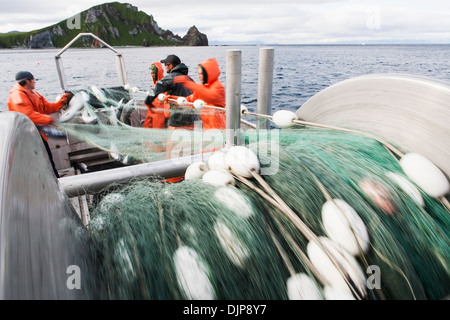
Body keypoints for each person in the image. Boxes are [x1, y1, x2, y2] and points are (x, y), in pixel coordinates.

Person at [7, 71, 72, 177]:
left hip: (38, 135)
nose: (34, 82)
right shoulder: (17, 96)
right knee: (40, 164)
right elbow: (27, 115)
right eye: (33, 79)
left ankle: (56, 181)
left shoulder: (34, 94)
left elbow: (47, 107)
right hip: (27, 138)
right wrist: (49, 120)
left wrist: (63, 99)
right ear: (27, 81)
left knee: (49, 161)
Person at [145, 54, 197, 130]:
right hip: (191, 121)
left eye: (165, 65)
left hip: (177, 120)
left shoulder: (171, 77)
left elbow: (156, 88)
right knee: (189, 141)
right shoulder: (189, 79)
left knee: (173, 141)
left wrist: (148, 102)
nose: (165, 67)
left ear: (171, 66)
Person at [173, 58, 226, 130]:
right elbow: (189, 100)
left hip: (220, 130)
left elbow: (211, 96)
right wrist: (173, 98)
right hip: (207, 129)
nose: (199, 76)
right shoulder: (202, 88)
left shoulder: (218, 86)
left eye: (201, 73)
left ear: (208, 73)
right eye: (198, 73)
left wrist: (189, 84)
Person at [143, 61, 170, 129]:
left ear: (158, 72)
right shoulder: (153, 84)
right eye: (151, 73)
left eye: (154, 73)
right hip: (151, 111)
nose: (152, 75)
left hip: (160, 113)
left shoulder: (164, 83)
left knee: (158, 132)